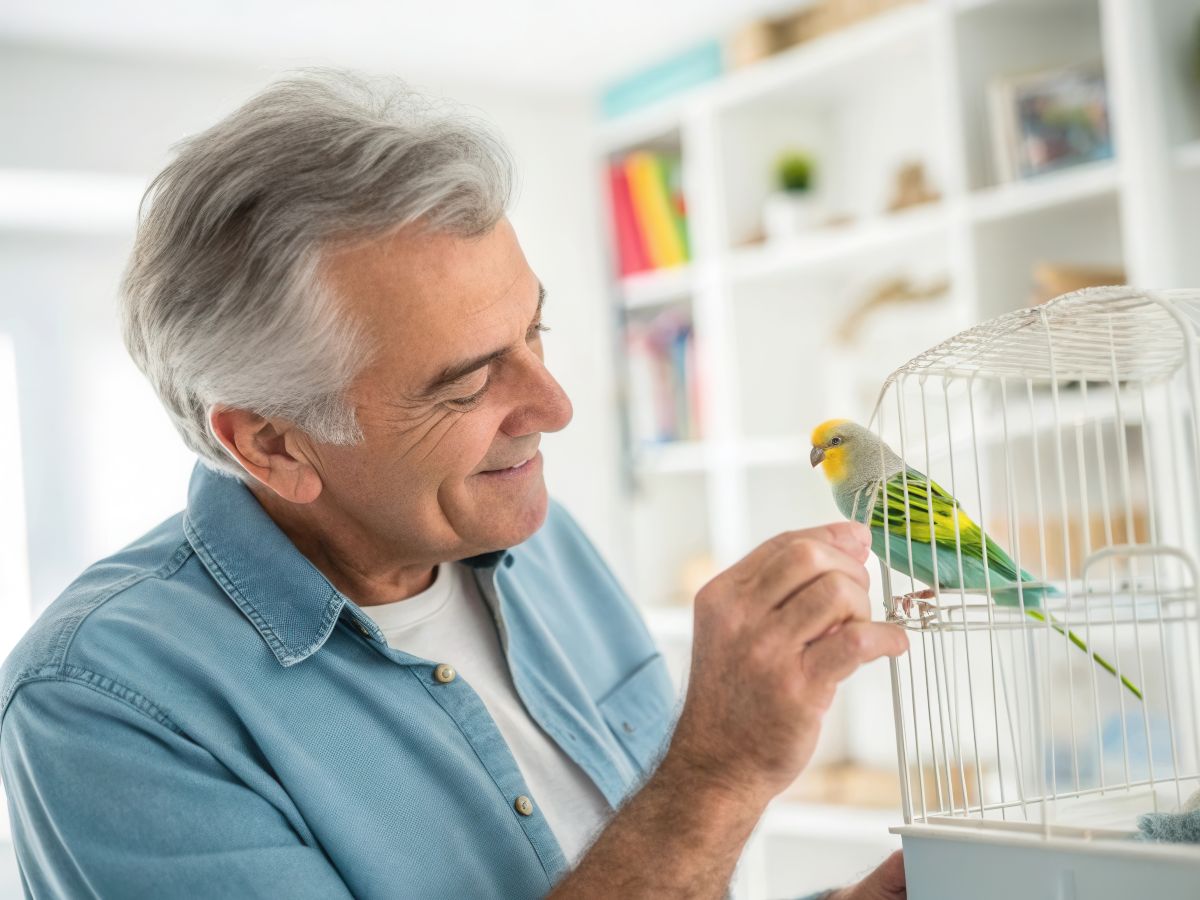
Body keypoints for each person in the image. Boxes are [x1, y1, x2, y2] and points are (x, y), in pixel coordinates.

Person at [0, 68, 909, 899]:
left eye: (535, 332)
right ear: (273, 445)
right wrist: (716, 776)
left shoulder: (537, 540)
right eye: (468, 384)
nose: (555, 407)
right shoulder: (102, 706)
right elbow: (684, 822)